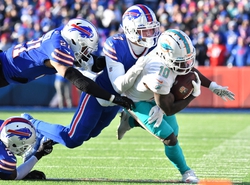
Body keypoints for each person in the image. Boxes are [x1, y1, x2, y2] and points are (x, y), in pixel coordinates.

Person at [21, 4, 161, 161]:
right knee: (72, 138)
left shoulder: (155, 46)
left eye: (152, 29)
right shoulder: (116, 43)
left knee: (91, 133)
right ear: (131, 29)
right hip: (100, 93)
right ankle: (31, 122)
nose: (150, 34)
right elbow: (118, 85)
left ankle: (47, 138)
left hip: (118, 100)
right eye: (145, 30)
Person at [116, 29, 234, 183]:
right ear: (166, 57)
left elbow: (189, 70)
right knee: (169, 138)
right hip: (136, 100)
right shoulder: (158, 74)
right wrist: (193, 95)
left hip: (154, 93)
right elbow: (168, 110)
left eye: (187, 59)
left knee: (175, 132)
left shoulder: (168, 56)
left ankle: (129, 121)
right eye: (182, 62)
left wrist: (212, 86)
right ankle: (186, 172)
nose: (186, 65)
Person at [0, 18, 134, 110]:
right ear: (74, 41)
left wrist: (112, 60)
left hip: (6, 69)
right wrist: (112, 98)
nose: (86, 52)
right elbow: (79, 81)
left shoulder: (63, 35)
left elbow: (92, 64)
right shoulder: (58, 47)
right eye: (85, 48)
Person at [0, 116, 53, 180]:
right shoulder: (5, 159)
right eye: (25, 145)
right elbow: (14, 175)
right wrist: (39, 154)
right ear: (14, 141)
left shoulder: (4, 126)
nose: (25, 148)